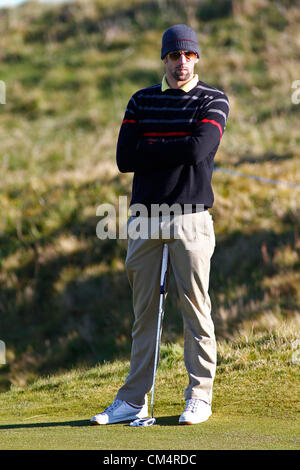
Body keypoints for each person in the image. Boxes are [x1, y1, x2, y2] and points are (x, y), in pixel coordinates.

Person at [91, 24, 229, 425]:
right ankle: (134, 400)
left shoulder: (214, 99)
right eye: (174, 56)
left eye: (188, 55)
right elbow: (123, 158)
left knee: (196, 309)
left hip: (191, 218)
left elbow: (200, 147)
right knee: (143, 312)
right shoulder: (141, 100)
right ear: (164, 59)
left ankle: (198, 398)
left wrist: (149, 145)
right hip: (144, 219)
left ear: (197, 58)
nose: (181, 63)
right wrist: (172, 146)